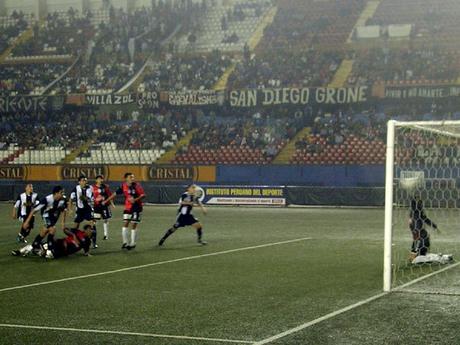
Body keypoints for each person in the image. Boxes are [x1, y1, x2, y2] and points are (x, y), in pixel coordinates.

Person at [23, 186, 68, 254]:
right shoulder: (47, 199)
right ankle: (49, 251)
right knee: (52, 229)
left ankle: (33, 246)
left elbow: (63, 211)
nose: (63, 194)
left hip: (54, 217)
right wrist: (26, 222)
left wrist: (63, 224)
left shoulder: (63, 200)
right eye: (61, 192)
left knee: (44, 231)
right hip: (46, 215)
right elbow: (34, 210)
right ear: (55, 193)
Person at [408, 196, 452, 264]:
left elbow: (425, 219)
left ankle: (440, 258)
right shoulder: (417, 211)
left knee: (415, 259)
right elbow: (425, 219)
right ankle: (441, 257)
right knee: (422, 254)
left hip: (420, 235)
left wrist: (434, 226)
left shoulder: (417, 211)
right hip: (421, 234)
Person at [12, 225, 93, 259]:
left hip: (63, 251)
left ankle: (38, 250)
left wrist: (87, 254)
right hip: (59, 243)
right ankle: (19, 251)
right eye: (90, 230)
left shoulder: (87, 241)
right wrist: (74, 235)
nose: (91, 231)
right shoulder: (78, 232)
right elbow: (65, 229)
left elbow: (86, 252)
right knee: (42, 247)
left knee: (47, 253)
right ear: (85, 230)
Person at [113, 173, 146, 250]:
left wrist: (135, 200)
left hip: (137, 207)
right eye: (131, 177)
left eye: (133, 177)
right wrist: (107, 200)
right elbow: (115, 193)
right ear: (126, 178)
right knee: (125, 224)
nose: (132, 178)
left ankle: (133, 243)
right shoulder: (123, 186)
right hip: (127, 208)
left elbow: (143, 195)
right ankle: (125, 242)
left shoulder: (136, 185)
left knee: (134, 225)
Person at [70, 175, 96, 248]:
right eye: (83, 180)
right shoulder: (76, 188)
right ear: (79, 182)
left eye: (85, 180)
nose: (84, 182)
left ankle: (92, 241)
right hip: (80, 210)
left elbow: (89, 198)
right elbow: (71, 199)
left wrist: (85, 198)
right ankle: (73, 240)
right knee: (75, 227)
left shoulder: (90, 188)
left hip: (88, 209)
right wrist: (70, 209)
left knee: (92, 224)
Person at [92, 175, 114, 240]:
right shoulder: (92, 188)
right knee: (94, 220)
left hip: (105, 205)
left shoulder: (105, 187)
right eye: (99, 179)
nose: (100, 180)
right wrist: (94, 200)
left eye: (101, 179)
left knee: (106, 219)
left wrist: (112, 204)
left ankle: (105, 235)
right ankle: (93, 234)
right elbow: (90, 196)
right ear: (96, 180)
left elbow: (110, 195)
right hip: (96, 206)